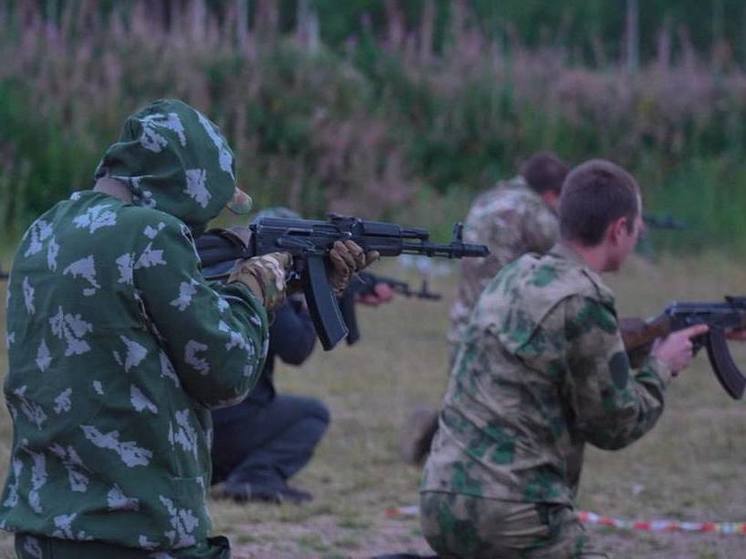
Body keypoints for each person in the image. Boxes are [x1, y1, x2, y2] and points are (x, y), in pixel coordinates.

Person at [0, 99, 374, 558]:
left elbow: (130, 322)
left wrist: (294, 280)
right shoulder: (152, 234)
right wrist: (257, 286)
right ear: (188, 185)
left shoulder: (45, 230)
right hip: (135, 531)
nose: (208, 222)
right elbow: (227, 371)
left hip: (45, 526)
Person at [419, 159, 708, 558]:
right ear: (618, 229)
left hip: (441, 499)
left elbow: (570, 353)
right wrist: (663, 366)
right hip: (513, 514)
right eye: (636, 225)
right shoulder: (584, 298)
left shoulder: (515, 275)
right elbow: (615, 424)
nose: (640, 232)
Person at [401, 152, 569, 466]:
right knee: (505, 404)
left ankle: (435, 437)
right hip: (506, 321)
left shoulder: (488, 198)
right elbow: (565, 257)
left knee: (469, 398)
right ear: (550, 194)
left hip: (465, 317)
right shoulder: (535, 212)